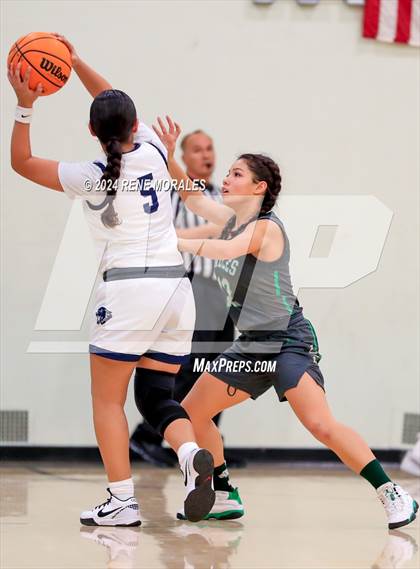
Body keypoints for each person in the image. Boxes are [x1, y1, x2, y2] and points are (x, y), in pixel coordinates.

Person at [152, 116, 419, 529]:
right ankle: (223, 492)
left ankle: (392, 492)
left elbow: (225, 252)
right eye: (227, 173)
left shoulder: (265, 229)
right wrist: (170, 156)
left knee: (320, 424)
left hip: (286, 341)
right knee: (192, 412)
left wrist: (175, 242)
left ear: (259, 187)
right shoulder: (230, 221)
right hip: (250, 345)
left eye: (236, 174)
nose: (226, 179)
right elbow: (191, 197)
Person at [7, 38, 216, 526]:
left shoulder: (92, 174)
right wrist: (77, 62)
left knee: (107, 401)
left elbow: (21, 162)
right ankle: (189, 456)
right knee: (157, 397)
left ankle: (122, 501)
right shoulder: (156, 149)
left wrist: (24, 104)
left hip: (128, 293)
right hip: (177, 292)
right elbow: (113, 97)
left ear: (91, 132)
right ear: (135, 124)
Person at [130, 129, 237, 468]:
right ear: (184, 158)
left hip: (223, 293)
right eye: (197, 150)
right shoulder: (175, 194)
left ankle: (210, 448)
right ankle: (146, 437)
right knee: (188, 371)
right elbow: (163, 236)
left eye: (210, 148)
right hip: (194, 289)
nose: (206, 155)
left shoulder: (221, 196)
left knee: (219, 371)